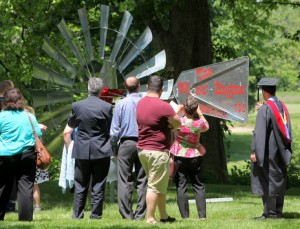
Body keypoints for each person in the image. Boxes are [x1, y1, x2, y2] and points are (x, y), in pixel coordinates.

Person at [136, 75, 181, 224]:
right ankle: (149, 218)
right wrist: (171, 122)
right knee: (154, 185)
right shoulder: (164, 106)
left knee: (160, 184)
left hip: (142, 150)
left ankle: (164, 216)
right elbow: (178, 124)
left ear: (147, 87)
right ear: (162, 89)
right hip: (157, 151)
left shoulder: (140, 103)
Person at [67, 77, 113, 219]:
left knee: (80, 184)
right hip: (101, 149)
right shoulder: (106, 107)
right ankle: (96, 215)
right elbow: (111, 128)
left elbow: (72, 124)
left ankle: (77, 215)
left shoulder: (77, 106)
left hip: (82, 149)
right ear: (100, 90)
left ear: (88, 88)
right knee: (98, 184)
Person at [250, 78, 292, 220]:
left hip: (268, 151)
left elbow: (260, 132)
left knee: (267, 179)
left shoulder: (266, 108)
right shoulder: (281, 105)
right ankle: (277, 211)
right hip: (279, 149)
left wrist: (255, 151)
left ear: (263, 91)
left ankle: (270, 213)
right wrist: (263, 108)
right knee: (278, 177)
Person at [0, 88, 42, 221]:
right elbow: (38, 135)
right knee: (26, 187)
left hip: (5, 155)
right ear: (21, 101)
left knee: (2, 186)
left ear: (5, 101)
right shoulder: (29, 116)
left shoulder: (1, 116)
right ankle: (25, 219)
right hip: (27, 154)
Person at [110, 76, 147, 220]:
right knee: (142, 179)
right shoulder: (145, 103)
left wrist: (114, 147)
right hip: (144, 143)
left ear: (125, 88)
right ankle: (140, 214)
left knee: (124, 180)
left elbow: (114, 131)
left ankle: (126, 214)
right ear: (139, 86)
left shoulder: (120, 104)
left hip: (126, 144)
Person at [170, 95, 209, 220]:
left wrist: (177, 110)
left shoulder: (179, 122)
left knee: (181, 185)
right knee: (198, 185)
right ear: (195, 109)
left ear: (184, 109)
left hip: (179, 155)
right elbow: (206, 126)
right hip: (195, 156)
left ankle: (185, 216)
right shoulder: (199, 123)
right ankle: (202, 216)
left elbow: (168, 121)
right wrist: (200, 113)